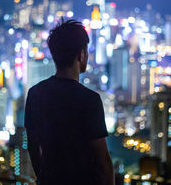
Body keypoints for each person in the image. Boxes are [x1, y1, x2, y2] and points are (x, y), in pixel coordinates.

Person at [24, 19, 114, 185]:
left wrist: (43, 178)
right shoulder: (89, 100)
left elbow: (32, 147)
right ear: (81, 54)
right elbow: (103, 163)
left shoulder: (35, 94)